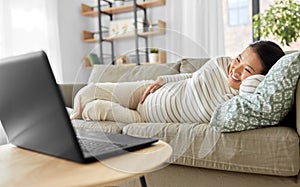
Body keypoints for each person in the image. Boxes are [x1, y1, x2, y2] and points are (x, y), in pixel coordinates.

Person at [70, 40, 285, 124]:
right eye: (238, 58)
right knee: (87, 92)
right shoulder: (222, 63)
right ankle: (67, 119)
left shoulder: (239, 104)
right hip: (146, 91)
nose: (235, 69)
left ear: (259, 79)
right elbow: (192, 76)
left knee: (93, 109)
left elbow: (254, 91)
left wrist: (256, 80)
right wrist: (162, 80)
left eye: (247, 70)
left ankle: (70, 120)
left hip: (145, 118)